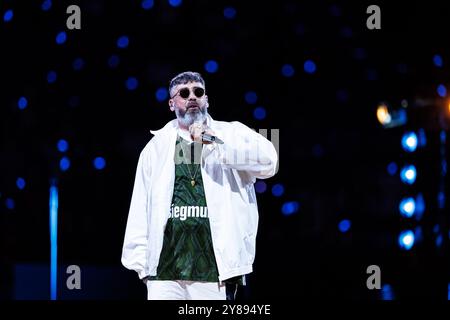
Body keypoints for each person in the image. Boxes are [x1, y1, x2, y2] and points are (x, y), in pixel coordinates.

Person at [121, 71, 278, 300]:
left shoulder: (232, 131)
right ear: (171, 104)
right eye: (184, 93)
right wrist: (142, 267)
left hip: (213, 271)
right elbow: (140, 206)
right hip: (165, 271)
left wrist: (212, 140)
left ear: (207, 99)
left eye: (198, 92)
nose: (192, 96)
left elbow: (269, 161)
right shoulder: (155, 147)